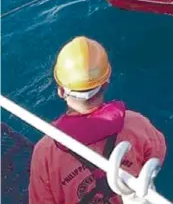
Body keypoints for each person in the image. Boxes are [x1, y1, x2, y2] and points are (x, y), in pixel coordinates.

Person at [29, 36, 166, 204]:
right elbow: (157, 154)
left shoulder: (45, 152)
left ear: (61, 91)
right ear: (106, 84)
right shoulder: (137, 124)